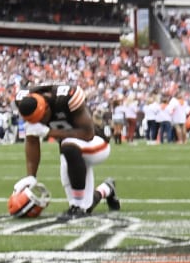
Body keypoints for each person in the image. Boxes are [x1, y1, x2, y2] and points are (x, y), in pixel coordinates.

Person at [15, 81, 120, 222]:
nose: (38, 122)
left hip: (96, 143)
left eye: (40, 119)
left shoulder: (66, 97)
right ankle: (107, 188)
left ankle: (76, 206)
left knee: (67, 145)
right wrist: (31, 176)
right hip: (72, 151)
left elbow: (87, 134)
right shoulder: (25, 101)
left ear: (46, 108)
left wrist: (49, 132)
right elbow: (32, 139)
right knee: (86, 207)